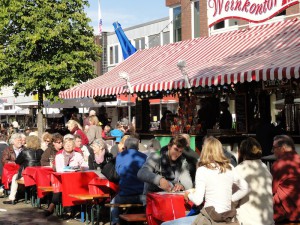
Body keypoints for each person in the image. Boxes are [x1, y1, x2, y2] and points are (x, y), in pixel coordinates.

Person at [161, 136, 249, 225]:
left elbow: (198, 200)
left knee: (165, 224)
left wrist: (189, 194)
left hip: (209, 219)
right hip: (227, 218)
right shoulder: (230, 168)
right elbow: (245, 188)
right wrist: (231, 199)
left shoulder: (202, 170)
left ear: (205, 150)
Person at [235, 137, 274, 225]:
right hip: (267, 220)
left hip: (247, 220)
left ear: (242, 152)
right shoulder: (264, 167)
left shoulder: (239, 169)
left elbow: (233, 198)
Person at [110, 138, 147, 225]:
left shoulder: (120, 156)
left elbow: (118, 172)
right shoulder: (144, 157)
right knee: (149, 202)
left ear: (125, 147)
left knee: (113, 202)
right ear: (137, 147)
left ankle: (116, 222)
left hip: (125, 194)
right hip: (142, 194)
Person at [3, 135, 44, 205]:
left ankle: (12, 198)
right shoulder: (41, 151)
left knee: (14, 178)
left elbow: (17, 162)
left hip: (27, 176)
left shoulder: (24, 152)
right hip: (38, 176)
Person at [271, 135, 300, 222]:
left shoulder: (279, 164)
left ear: (282, 148)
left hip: (285, 214)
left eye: (274, 148)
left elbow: (271, 189)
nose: (272, 151)